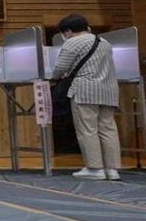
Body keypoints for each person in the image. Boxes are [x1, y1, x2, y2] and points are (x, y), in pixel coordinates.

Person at [52, 14, 121, 180]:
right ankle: (112, 169)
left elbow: (60, 68)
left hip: (85, 90)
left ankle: (95, 168)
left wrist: (56, 76)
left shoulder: (72, 42)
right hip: (109, 90)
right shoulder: (104, 42)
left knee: (87, 130)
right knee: (108, 129)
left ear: (67, 31)